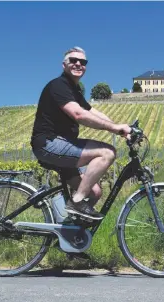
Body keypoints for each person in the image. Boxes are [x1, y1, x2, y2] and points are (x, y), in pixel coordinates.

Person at [30, 46, 131, 222]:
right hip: (49, 144)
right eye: (73, 60)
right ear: (64, 65)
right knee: (107, 153)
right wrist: (114, 129)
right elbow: (79, 114)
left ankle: (71, 238)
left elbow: (92, 111)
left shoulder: (74, 91)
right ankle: (76, 202)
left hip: (63, 144)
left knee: (95, 192)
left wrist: (121, 128)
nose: (78, 64)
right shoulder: (58, 85)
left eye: (82, 62)